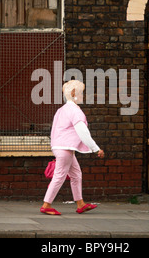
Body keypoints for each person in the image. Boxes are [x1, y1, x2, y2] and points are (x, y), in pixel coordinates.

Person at [40, 80, 105, 215]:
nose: (83, 96)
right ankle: (46, 205)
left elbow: (56, 130)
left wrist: (56, 147)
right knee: (59, 176)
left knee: (76, 174)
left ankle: (80, 203)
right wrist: (96, 148)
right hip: (65, 148)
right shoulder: (75, 111)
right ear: (74, 93)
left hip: (61, 147)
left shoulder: (61, 110)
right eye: (81, 93)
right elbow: (83, 132)